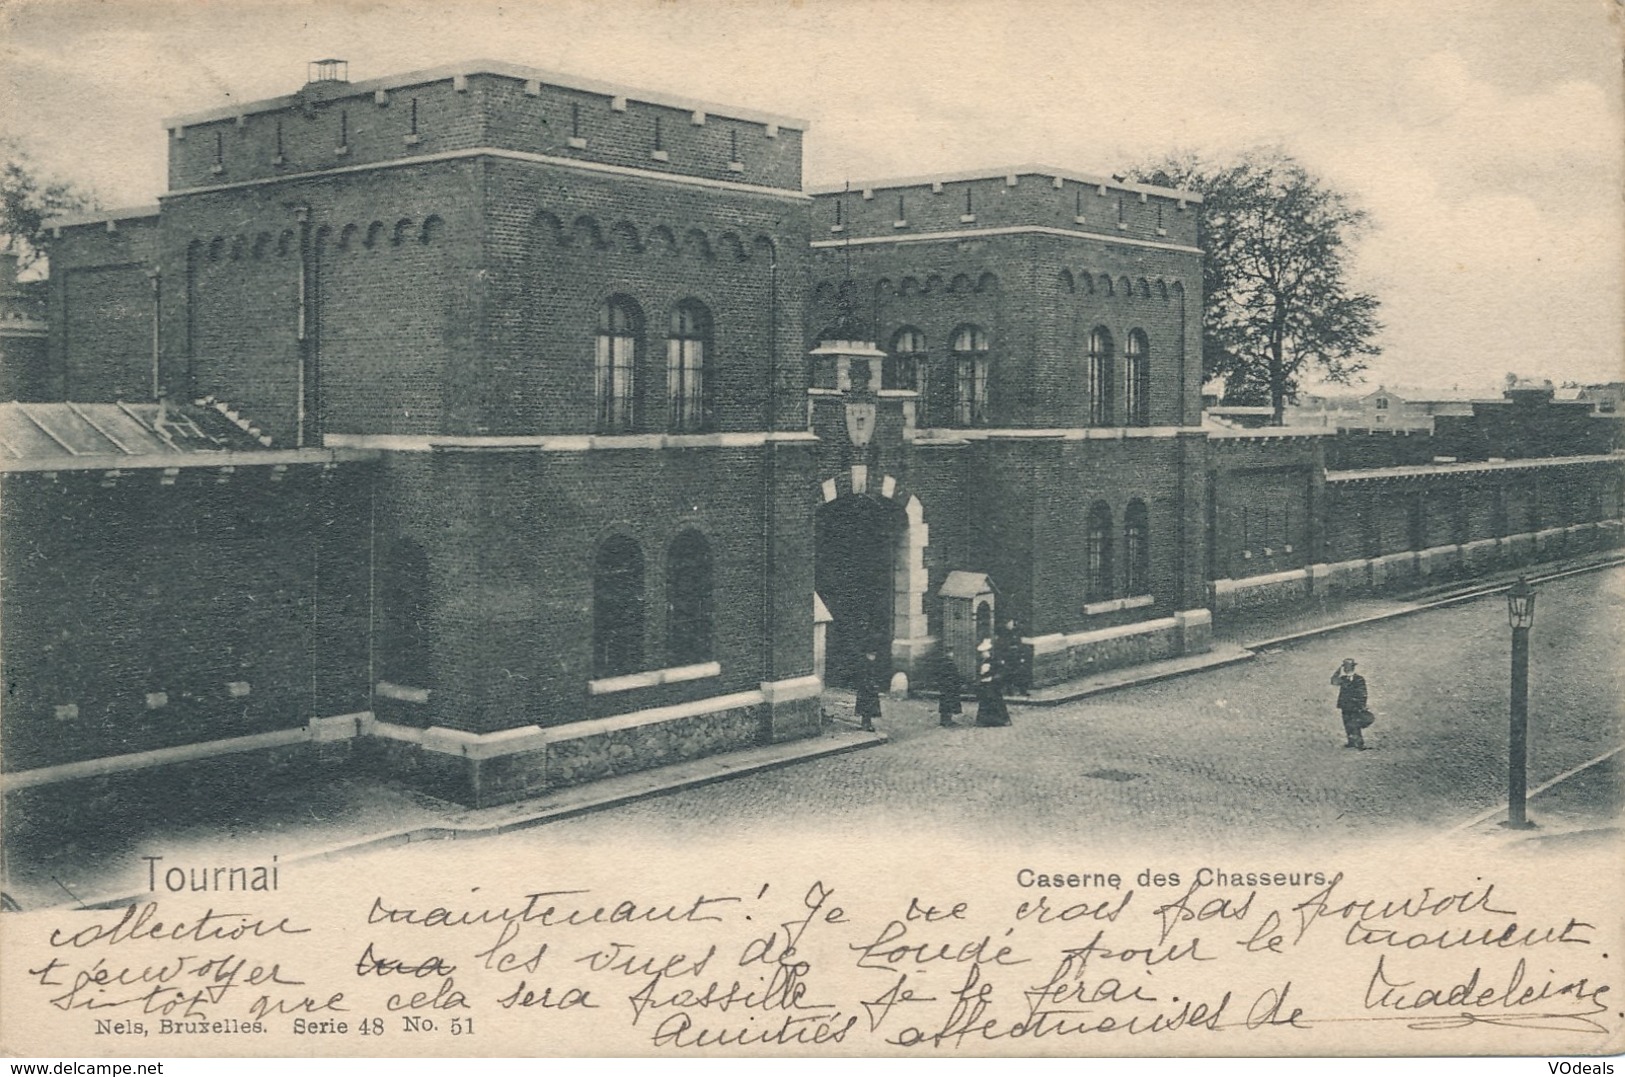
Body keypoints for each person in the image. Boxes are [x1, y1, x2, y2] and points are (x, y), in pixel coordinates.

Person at [1330, 658, 1371, 749]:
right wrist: (1338, 670)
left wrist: (1362, 705)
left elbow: (1363, 693)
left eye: (1347, 666)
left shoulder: (1359, 679)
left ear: (1352, 667)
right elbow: (1333, 681)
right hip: (1345, 705)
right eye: (1345, 667)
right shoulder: (1343, 679)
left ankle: (1359, 743)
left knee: (1355, 724)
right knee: (1347, 723)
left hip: (1355, 705)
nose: (1346, 668)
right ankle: (1351, 742)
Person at [973, 638, 1012, 727]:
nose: (983, 655)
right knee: (985, 702)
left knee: (996, 702)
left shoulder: (995, 661)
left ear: (988, 652)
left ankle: (1001, 720)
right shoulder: (983, 662)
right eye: (982, 653)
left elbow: (1002, 672)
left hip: (993, 685)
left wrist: (993, 678)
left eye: (984, 652)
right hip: (985, 685)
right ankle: (984, 721)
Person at [855, 651, 884, 732]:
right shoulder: (865, 664)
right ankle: (865, 724)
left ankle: (867, 724)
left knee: (869, 705)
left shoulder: (873, 664)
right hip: (866, 687)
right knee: (866, 704)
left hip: (870, 687)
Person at [935, 648, 963, 728]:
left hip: (947, 687)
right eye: (950, 653)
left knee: (947, 703)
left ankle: (947, 720)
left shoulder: (944, 663)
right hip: (949, 687)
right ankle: (946, 721)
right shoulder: (948, 664)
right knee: (947, 703)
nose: (951, 654)